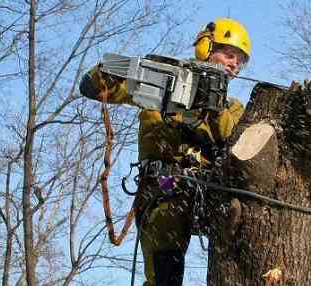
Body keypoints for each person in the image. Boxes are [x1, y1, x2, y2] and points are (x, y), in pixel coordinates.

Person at [79, 18, 251, 286]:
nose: (234, 64)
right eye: (229, 54)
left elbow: (234, 141)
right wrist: (127, 70)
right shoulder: (162, 86)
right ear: (206, 47)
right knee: (165, 276)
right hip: (167, 188)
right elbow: (93, 87)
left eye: (240, 61)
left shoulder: (232, 109)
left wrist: (210, 108)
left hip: (211, 193)